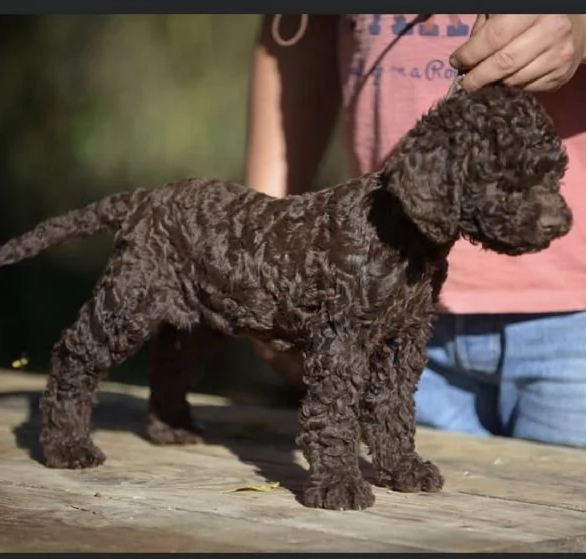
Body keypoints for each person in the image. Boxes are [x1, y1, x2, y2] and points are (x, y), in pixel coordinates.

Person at [244, 14, 586, 447]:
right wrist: (268, 253)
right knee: (394, 508)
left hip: (576, 319)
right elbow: (297, 35)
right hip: (375, 294)